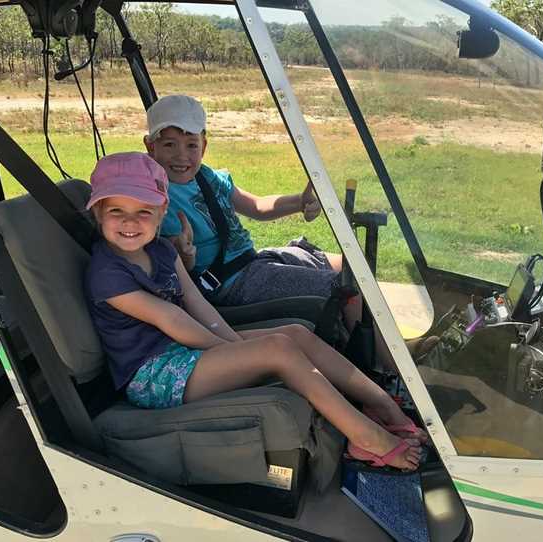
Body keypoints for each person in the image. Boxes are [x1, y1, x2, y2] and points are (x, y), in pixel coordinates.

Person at [83, 152, 426, 471]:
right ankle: (367, 439)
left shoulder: (161, 250)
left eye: (144, 211)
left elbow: (196, 304)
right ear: (98, 213)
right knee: (278, 349)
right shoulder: (107, 272)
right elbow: (170, 319)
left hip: (182, 352)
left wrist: (232, 341)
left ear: (162, 213)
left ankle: (382, 404)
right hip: (153, 375)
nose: (130, 222)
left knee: (295, 334)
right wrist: (233, 348)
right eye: (116, 211)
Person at [143, 94, 438, 364]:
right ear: (150, 145)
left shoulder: (208, 177)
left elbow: (257, 206)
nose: (182, 156)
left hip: (255, 262)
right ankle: (392, 364)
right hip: (229, 284)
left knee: (351, 265)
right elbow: (166, 262)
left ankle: (387, 344)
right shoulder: (151, 193)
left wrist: (299, 201)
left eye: (191, 145)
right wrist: (182, 254)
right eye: (169, 144)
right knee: (348, 284)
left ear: (204, 145)